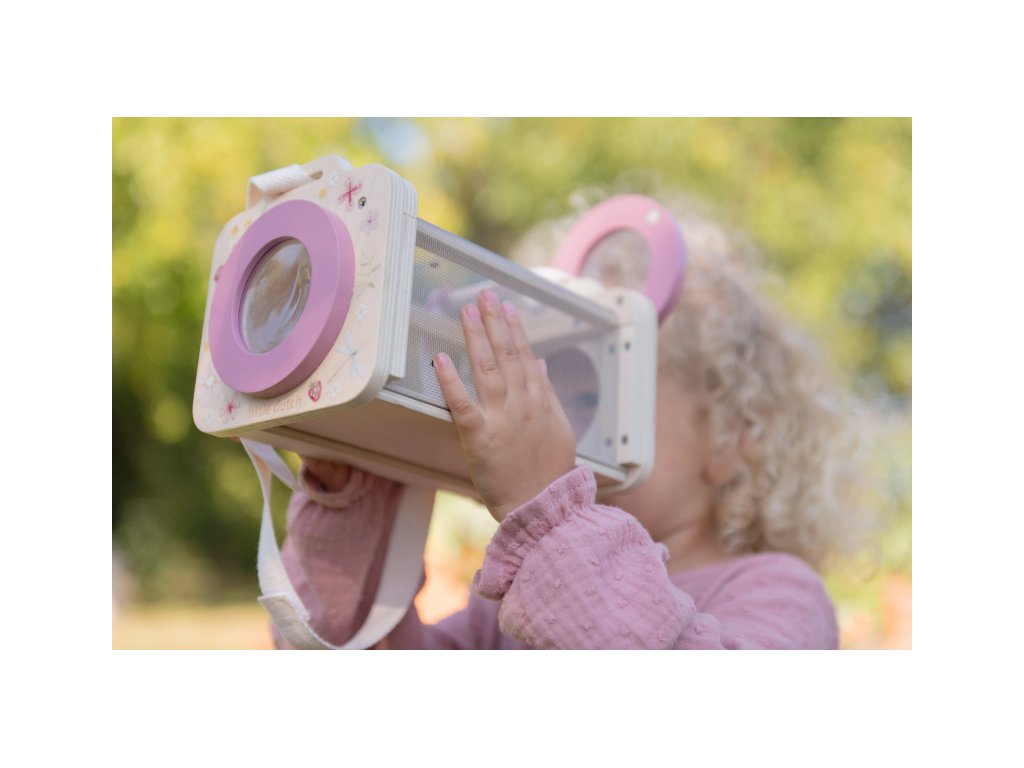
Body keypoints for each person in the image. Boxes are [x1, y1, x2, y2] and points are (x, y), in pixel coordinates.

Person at [273, 200, 865, 650]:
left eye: (596, 389)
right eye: (547, 380)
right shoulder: (510, 601)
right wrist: (353, 493)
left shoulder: (779, 592)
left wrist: (551, 513)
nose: (554, 415)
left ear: (731, 435)